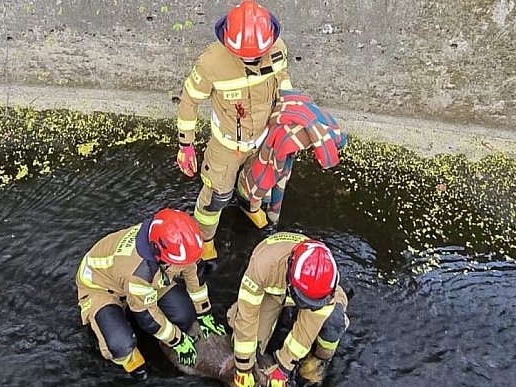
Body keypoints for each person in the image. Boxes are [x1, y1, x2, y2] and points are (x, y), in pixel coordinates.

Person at [175, 0, 293, 266]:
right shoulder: (211, 63)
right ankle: (205, 239)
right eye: (244, 55)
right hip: (228, 146)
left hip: (263, 138)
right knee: (216, 195)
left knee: (258, 182)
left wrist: (290, 98)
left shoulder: (278, 49)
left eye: (256, 54)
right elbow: (189, 100)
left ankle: (249, 206)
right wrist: (186, 145)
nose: (250, 59)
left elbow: (282, 75)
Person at [74, 209, 227, 379]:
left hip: (144, 276)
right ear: (162, 257)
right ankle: (128, 359)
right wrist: (178, 341)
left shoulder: (172, 239)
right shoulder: (139, 274)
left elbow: (191, 272)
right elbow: (148, 318)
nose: (187, 265)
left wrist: (204, 312)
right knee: (120, 344)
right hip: (100, 286)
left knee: (184, 315)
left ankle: (140, 314)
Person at [229, 233, 349, 387]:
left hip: (305, 294)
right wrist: (243, 369)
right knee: (247, 348)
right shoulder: (263, 265)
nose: (305, 306)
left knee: (334, 322)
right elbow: (247, 317)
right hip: (273, 292)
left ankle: (319, 360)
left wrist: (283, 367)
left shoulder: (326, 286)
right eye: (302, 301)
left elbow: (305, 332)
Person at [237, 90, 347, 225]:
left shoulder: (306, 121)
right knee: (260, 179)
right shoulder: (284, 139)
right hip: (260, 143)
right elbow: (265, 174)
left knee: (276, 173)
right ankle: (252, 205)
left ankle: (267, 210)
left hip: (271, 138)